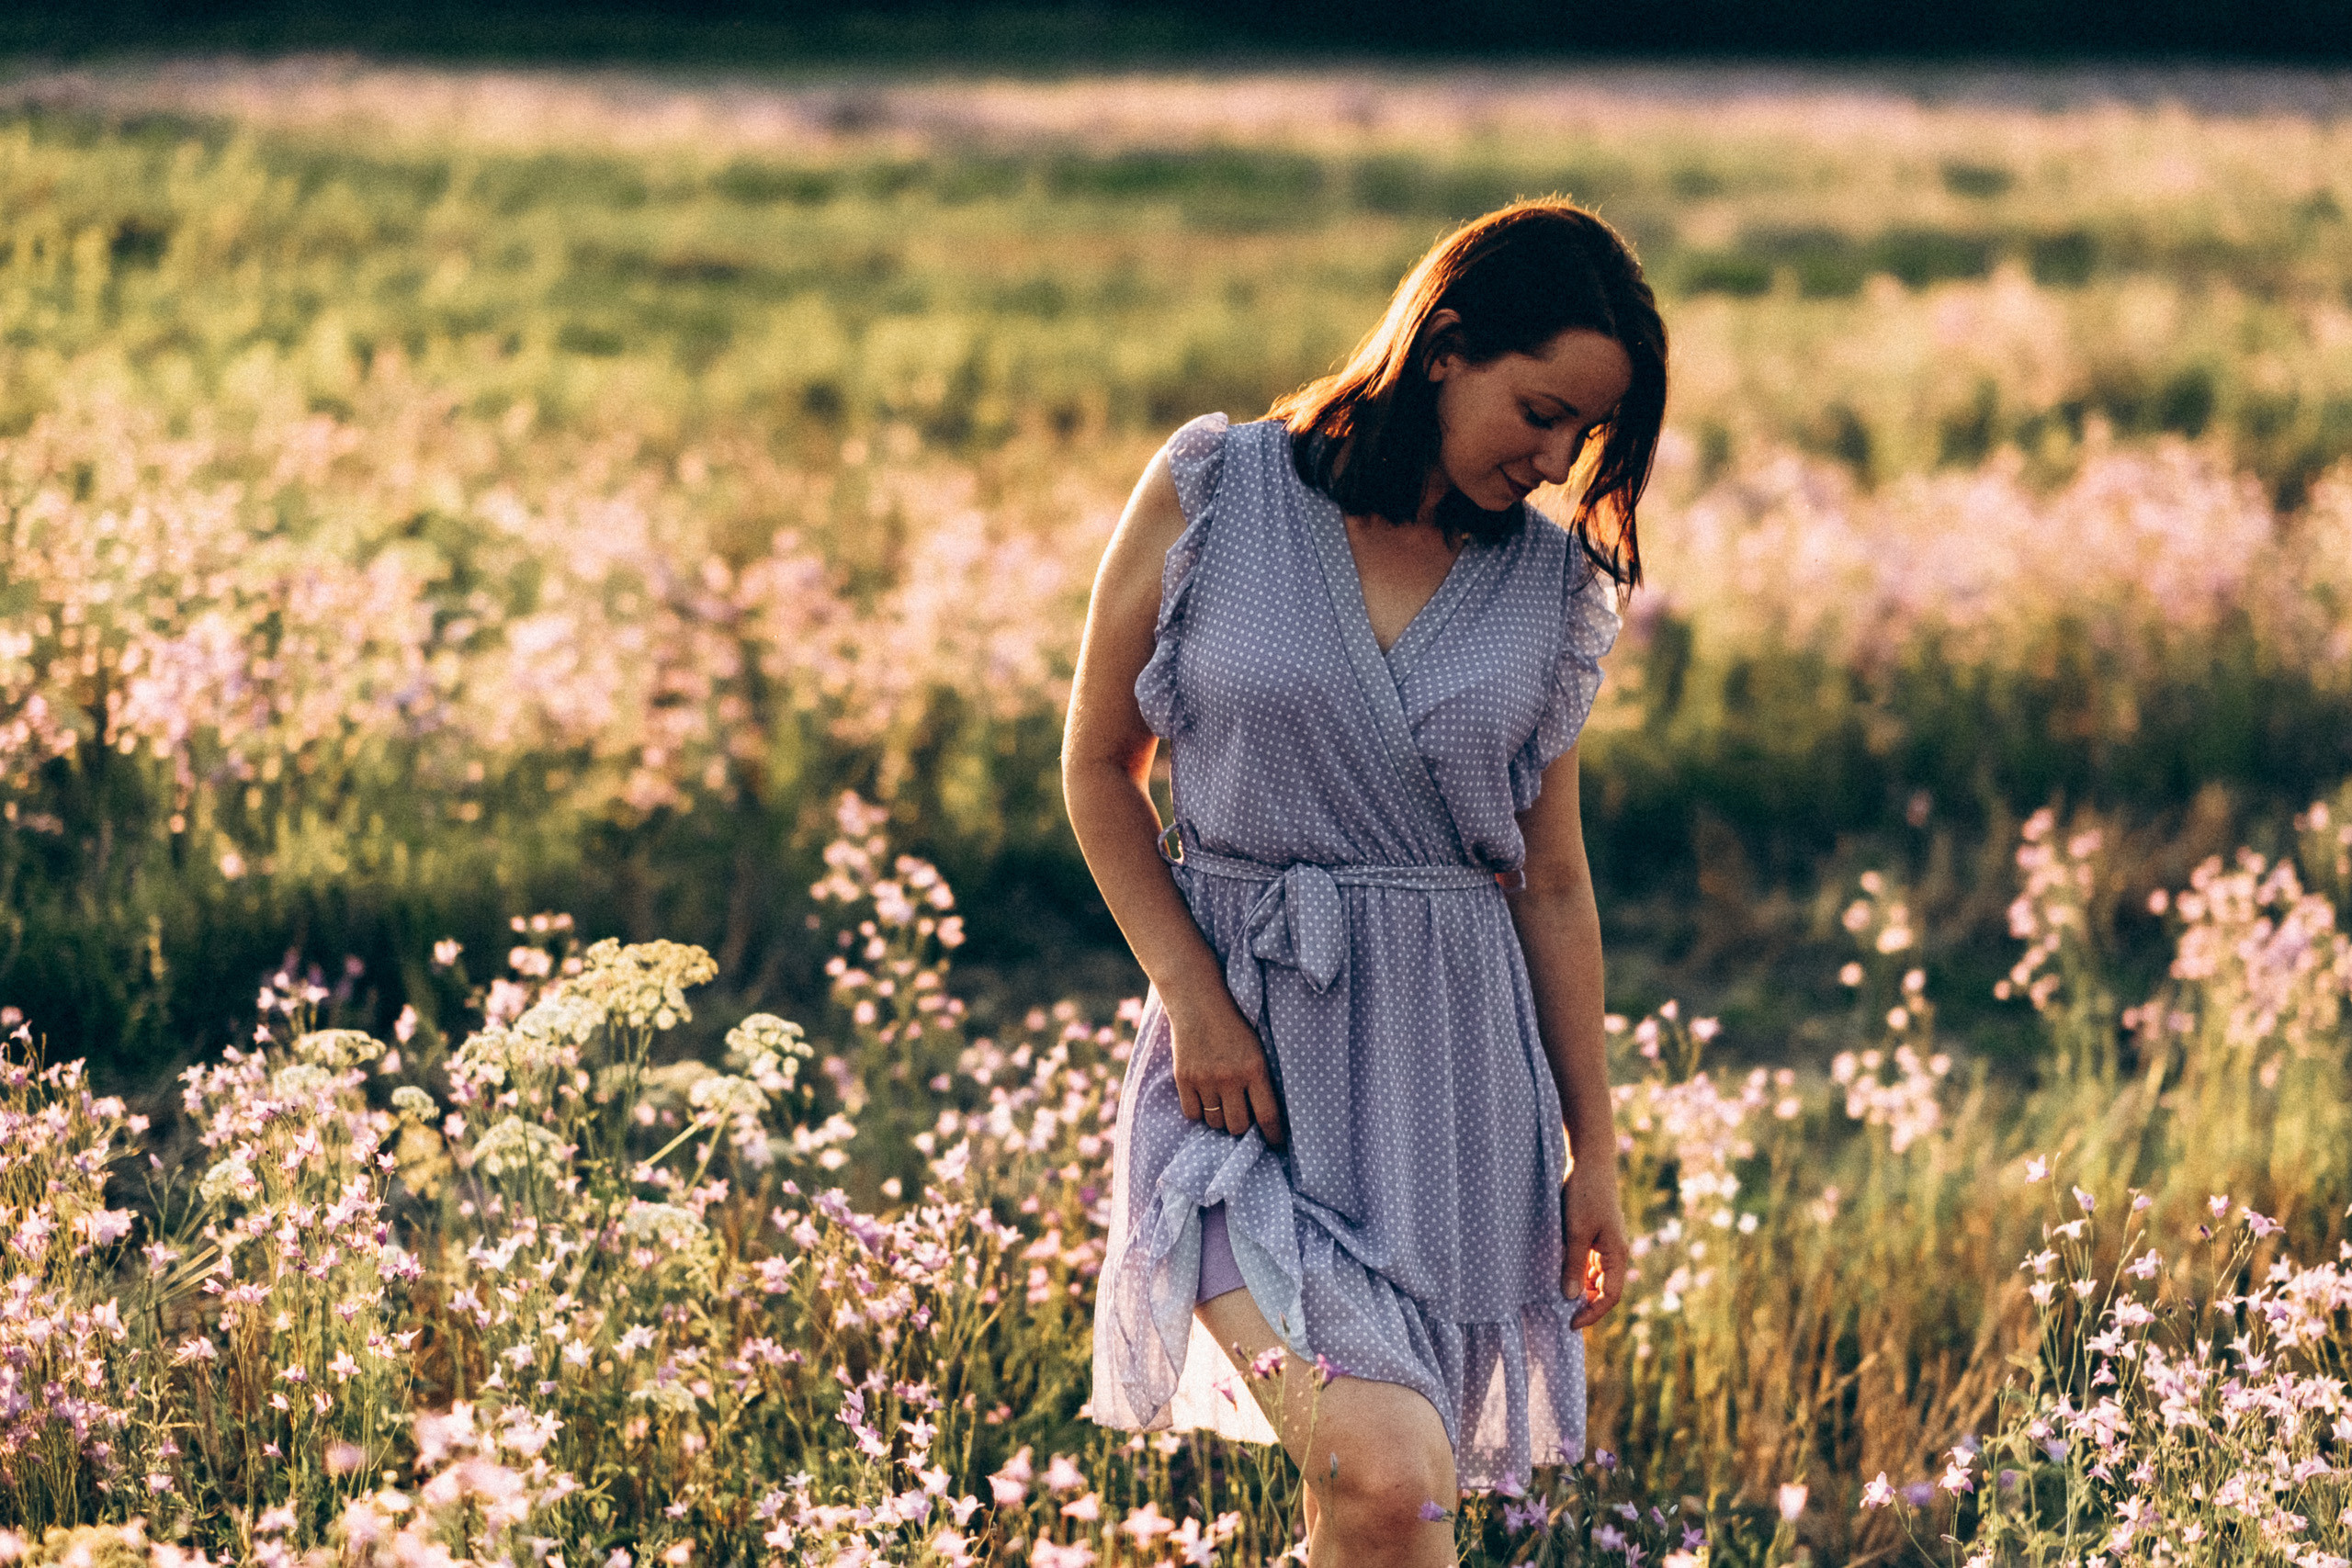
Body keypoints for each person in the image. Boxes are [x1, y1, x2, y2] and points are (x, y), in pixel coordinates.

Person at [1062, 198, 1667, 1567]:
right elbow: (1100, 771)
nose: (1556, 456)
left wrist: (1597, 1151)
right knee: (1388, 1476)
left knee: (1384, 1507)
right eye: (1540, 409)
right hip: (1240, 1089)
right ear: (1444, 343)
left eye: (1586, 435)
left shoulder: (1549, 587)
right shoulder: (1216, 489)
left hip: (1451, 1107)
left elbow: (1552, 884)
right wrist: (1193, 1000)